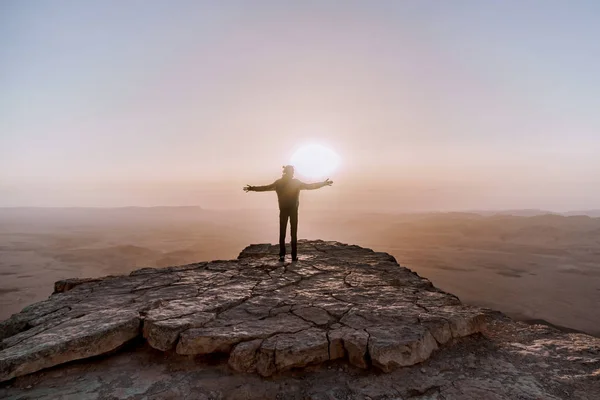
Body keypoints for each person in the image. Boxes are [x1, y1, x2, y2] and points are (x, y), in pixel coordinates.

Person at [244, 165, 333, 262]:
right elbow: (310, 186)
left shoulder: (279, 182)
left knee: (282, 233)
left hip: (283, 210)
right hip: (293, 210)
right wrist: (323, 184)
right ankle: (294, 257)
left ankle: (282, 256)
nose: (293, 173)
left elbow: (266, 188)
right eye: (292, 171)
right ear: (289, 172)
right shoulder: (296, 183)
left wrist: (252, 188)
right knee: (293, 233)